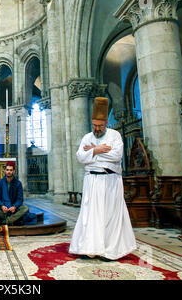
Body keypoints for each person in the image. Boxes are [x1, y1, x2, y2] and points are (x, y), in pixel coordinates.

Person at [69, 97, 137, 260]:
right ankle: (89, 248)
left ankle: (110, 250)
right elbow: (80, 156)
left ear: (106, 122)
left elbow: (116, 155)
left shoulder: (115, 135)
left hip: (110, 180)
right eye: (94, 125)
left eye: (100, 126)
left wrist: (94, 152)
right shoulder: (87, 137)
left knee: (109, 215)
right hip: (92, 181)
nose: (97, 129)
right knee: (90, 215)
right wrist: (97, 150)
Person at [0, 161, 28, 225]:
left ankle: (5, 221)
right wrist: (2, 206)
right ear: (5, 170)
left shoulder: (18, 183)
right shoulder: (0, 182)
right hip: (3, 209)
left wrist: (15, 207)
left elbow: (20, 199)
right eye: (7, 170)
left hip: (13, 208)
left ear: (14, 171)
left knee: (25, 208)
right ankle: (12, 220)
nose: (9, 172)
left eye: (11, 170)